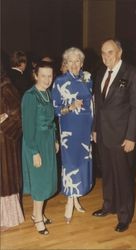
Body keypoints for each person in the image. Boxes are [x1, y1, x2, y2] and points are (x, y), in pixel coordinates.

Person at [92, 38, 136, 232]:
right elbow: (99, 105)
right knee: (108, 173)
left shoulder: (133, 73)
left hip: (123, 136)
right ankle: (109, 205)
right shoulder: (100, 73)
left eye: (110, 52)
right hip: (103, 135)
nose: (106, 57)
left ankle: (124, 215)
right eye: (103, 53)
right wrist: (95, 129)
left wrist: (131, 137)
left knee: (123, 177)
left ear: (119, 52)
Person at [52, 47, 93, 224]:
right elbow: (55, 108)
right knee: (70, 164)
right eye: (71, 61)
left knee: (82, 162)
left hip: (85, 128)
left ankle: (76, 198)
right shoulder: (60, 81)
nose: (75, 64)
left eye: (78, 61)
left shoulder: (88, 78)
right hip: (69, 128)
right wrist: (70, 106)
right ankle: (70, 201)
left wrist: (94, 128)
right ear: (66, 64)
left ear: (82, 63)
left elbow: (93, 104)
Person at [21, 61, 59, 235]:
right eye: (43, 75)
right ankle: (37, 218)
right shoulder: (30, 96)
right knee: (39, 182)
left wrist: (55, 139)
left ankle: (39, 213)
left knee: (46, 180)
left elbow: (52, 119)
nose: (47, 79)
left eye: (50, 75)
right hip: (35, 143)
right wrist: (34, 152)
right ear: (35, 75)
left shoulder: (48, 93)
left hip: (48, 141)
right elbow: (27, 128)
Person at [0, 63, 24, 231]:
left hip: (3, 144)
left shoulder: (5, 86)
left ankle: (7, 219)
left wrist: (4, 122)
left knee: (4, 180)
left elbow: (18, 115)